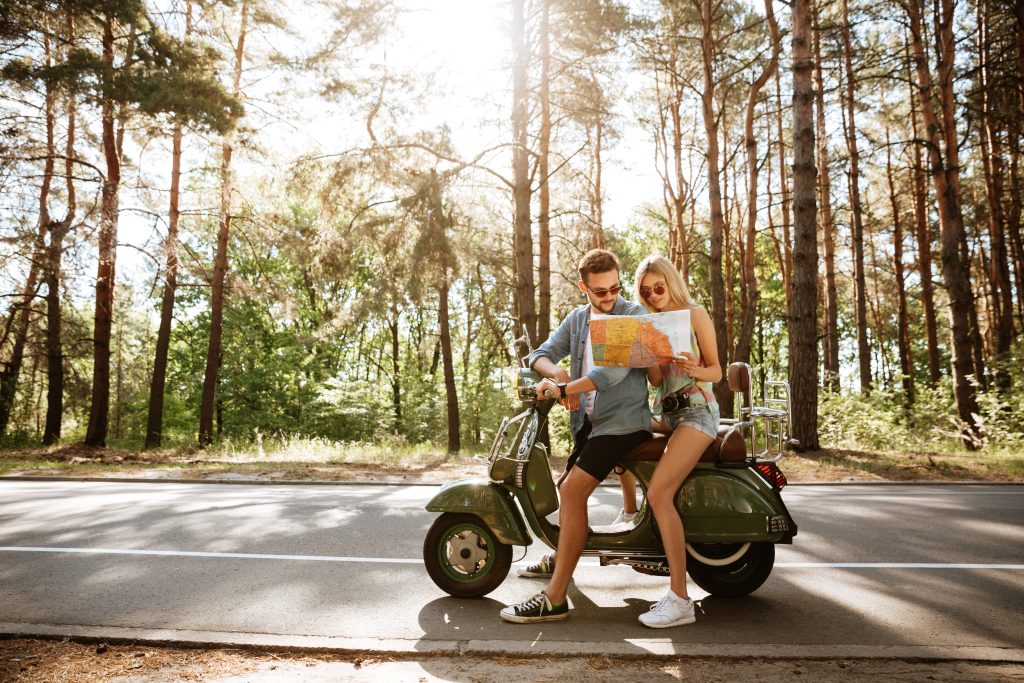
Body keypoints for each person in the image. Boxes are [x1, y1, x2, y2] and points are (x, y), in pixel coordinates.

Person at [500, 249, 653, 623]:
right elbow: (540, 353)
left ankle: (555, 598)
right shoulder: (578, 319)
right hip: (590, 424)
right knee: (566, 484)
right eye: (600, 291)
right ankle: (560, 556)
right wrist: (559, 375)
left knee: (571, 491)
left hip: (624, 423)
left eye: (615, 287)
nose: (610, 297)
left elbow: (611, 374)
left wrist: (564, 391)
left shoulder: (632, 315)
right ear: (584, 288)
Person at [633, 255, 721, 628]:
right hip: (668, 414)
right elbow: (655, 381)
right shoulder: (649, 322)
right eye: (645, 291)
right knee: (615, 433)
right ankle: (627, 516)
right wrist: (645, 356)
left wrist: (693, 368)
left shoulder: (695, 314)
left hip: (697, 412)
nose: (653, 296)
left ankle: (680, 599)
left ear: (671, 282)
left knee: (658, 495)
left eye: (658, 288)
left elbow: (716, 371)